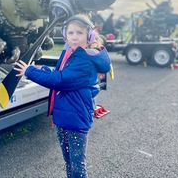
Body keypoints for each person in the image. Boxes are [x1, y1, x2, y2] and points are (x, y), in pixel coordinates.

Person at [14, 14, 111, 178]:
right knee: (69, 162)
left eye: (79, 33)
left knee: (77, 167)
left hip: (76, 121)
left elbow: (59, 80)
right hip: (65, 118)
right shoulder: (70, 53)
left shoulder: (84, 59)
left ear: (89, 35)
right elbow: (60, 73)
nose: (74, 37)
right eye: (71, 33)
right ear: (65, 34)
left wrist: (29, 72)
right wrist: (40, 69)